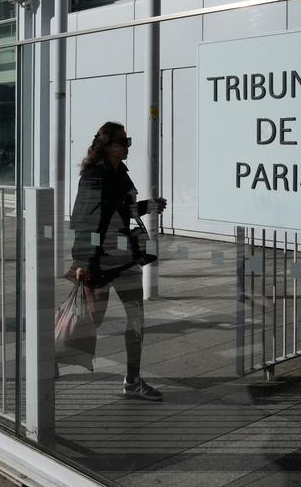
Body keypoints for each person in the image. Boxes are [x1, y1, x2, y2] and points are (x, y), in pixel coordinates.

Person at [69, 121, 167, 401]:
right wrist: (82, 261)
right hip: (99, 263)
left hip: (125, 261)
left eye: (128, 141)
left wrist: (149, 206)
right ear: (108, 146)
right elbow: (81, 219)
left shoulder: (120, 172)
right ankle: (51, 354)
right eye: (122, 142)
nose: (127, 147)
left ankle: (133, 381)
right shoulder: (93, 176)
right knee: (93, 321)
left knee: (136, 320)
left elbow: (123, 209)